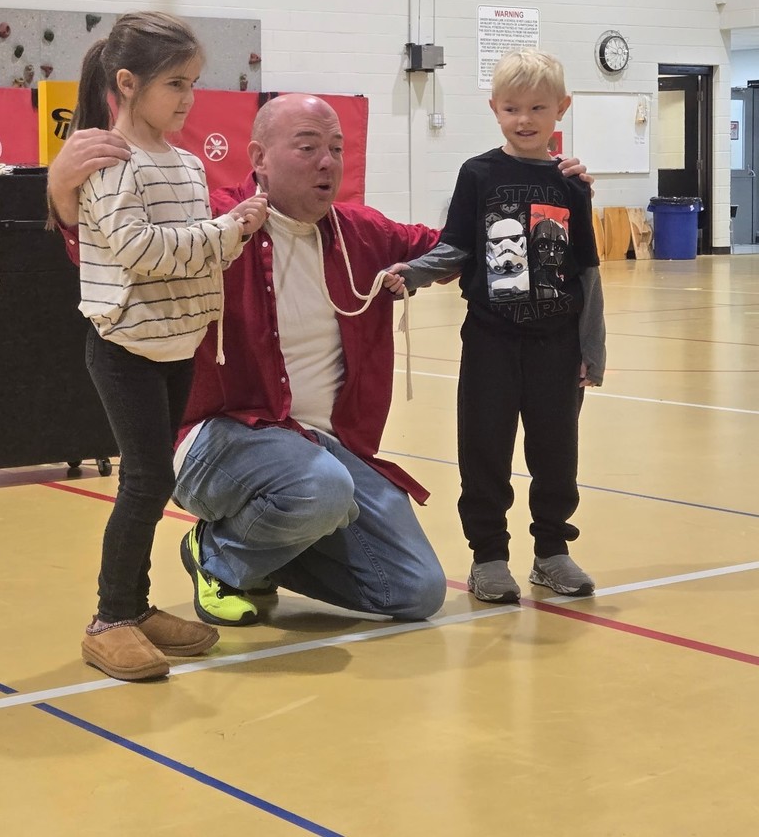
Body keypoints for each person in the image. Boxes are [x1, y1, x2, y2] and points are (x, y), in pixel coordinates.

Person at [50, 90, 592, 629]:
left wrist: (550, 187)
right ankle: (217, 556)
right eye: (308, 148)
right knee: (319, 488)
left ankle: (258, 549)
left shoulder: (362, 234)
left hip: (326, 449)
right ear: (259, 158)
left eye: (336, 147)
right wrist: (61, 195)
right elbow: (109, 253)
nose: (327, 161)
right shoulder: (217, 222)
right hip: (217, 436)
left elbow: (457, 247)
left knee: (414, 590)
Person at [57, 11, 268, 681]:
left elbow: (192, 258)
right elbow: (142, 252)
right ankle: (110, 617)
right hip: (125, 349)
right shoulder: (111, 164)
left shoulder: (181, 162)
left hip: (176, 344)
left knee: (157, 480)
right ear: (127, 83)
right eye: (176, 83)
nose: (188, 99)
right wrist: (227, 232)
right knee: (145, 480)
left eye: (194, 83)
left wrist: (223, 234)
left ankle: (138, 606)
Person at [383, 49, 605, 604]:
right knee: (484, 448)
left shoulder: (571, 184)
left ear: (562, 108)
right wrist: (411, 274)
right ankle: (489, 556)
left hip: (556, 343)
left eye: (537, 107)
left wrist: (591, 349)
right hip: (490, 339)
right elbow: (456, 247)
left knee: (556, 451)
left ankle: (552, 552)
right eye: (511, 108)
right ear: (494, 109)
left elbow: (587, 272)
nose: (524, 119)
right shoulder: (478, 174)